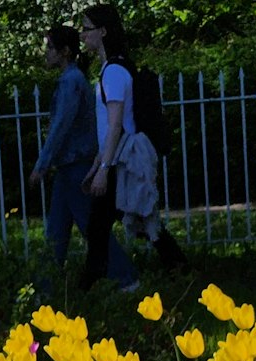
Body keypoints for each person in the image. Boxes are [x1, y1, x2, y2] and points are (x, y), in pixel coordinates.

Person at [79, 5, 185, 291]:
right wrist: (99, 162)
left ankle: (93, 287)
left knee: (100, 226)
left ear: (102, 32)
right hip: (116, 157)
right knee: (139, 217)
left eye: (87, 28)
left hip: (120, 160)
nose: (82, 35)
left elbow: (116, 126)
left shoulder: (113, 72)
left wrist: (103, 169)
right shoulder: (113, 67)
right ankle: (179, 269)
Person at [30, 23, 138, 293]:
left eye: (51, 48)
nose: (47, 53)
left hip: (75, 166)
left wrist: (41, 165)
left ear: (65, 52)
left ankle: (127, 279)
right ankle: (44, 290)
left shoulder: (71, 82)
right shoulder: (72, 80)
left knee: (92, 228)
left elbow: (60, 127)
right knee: (56, 230)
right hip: (68, 166)